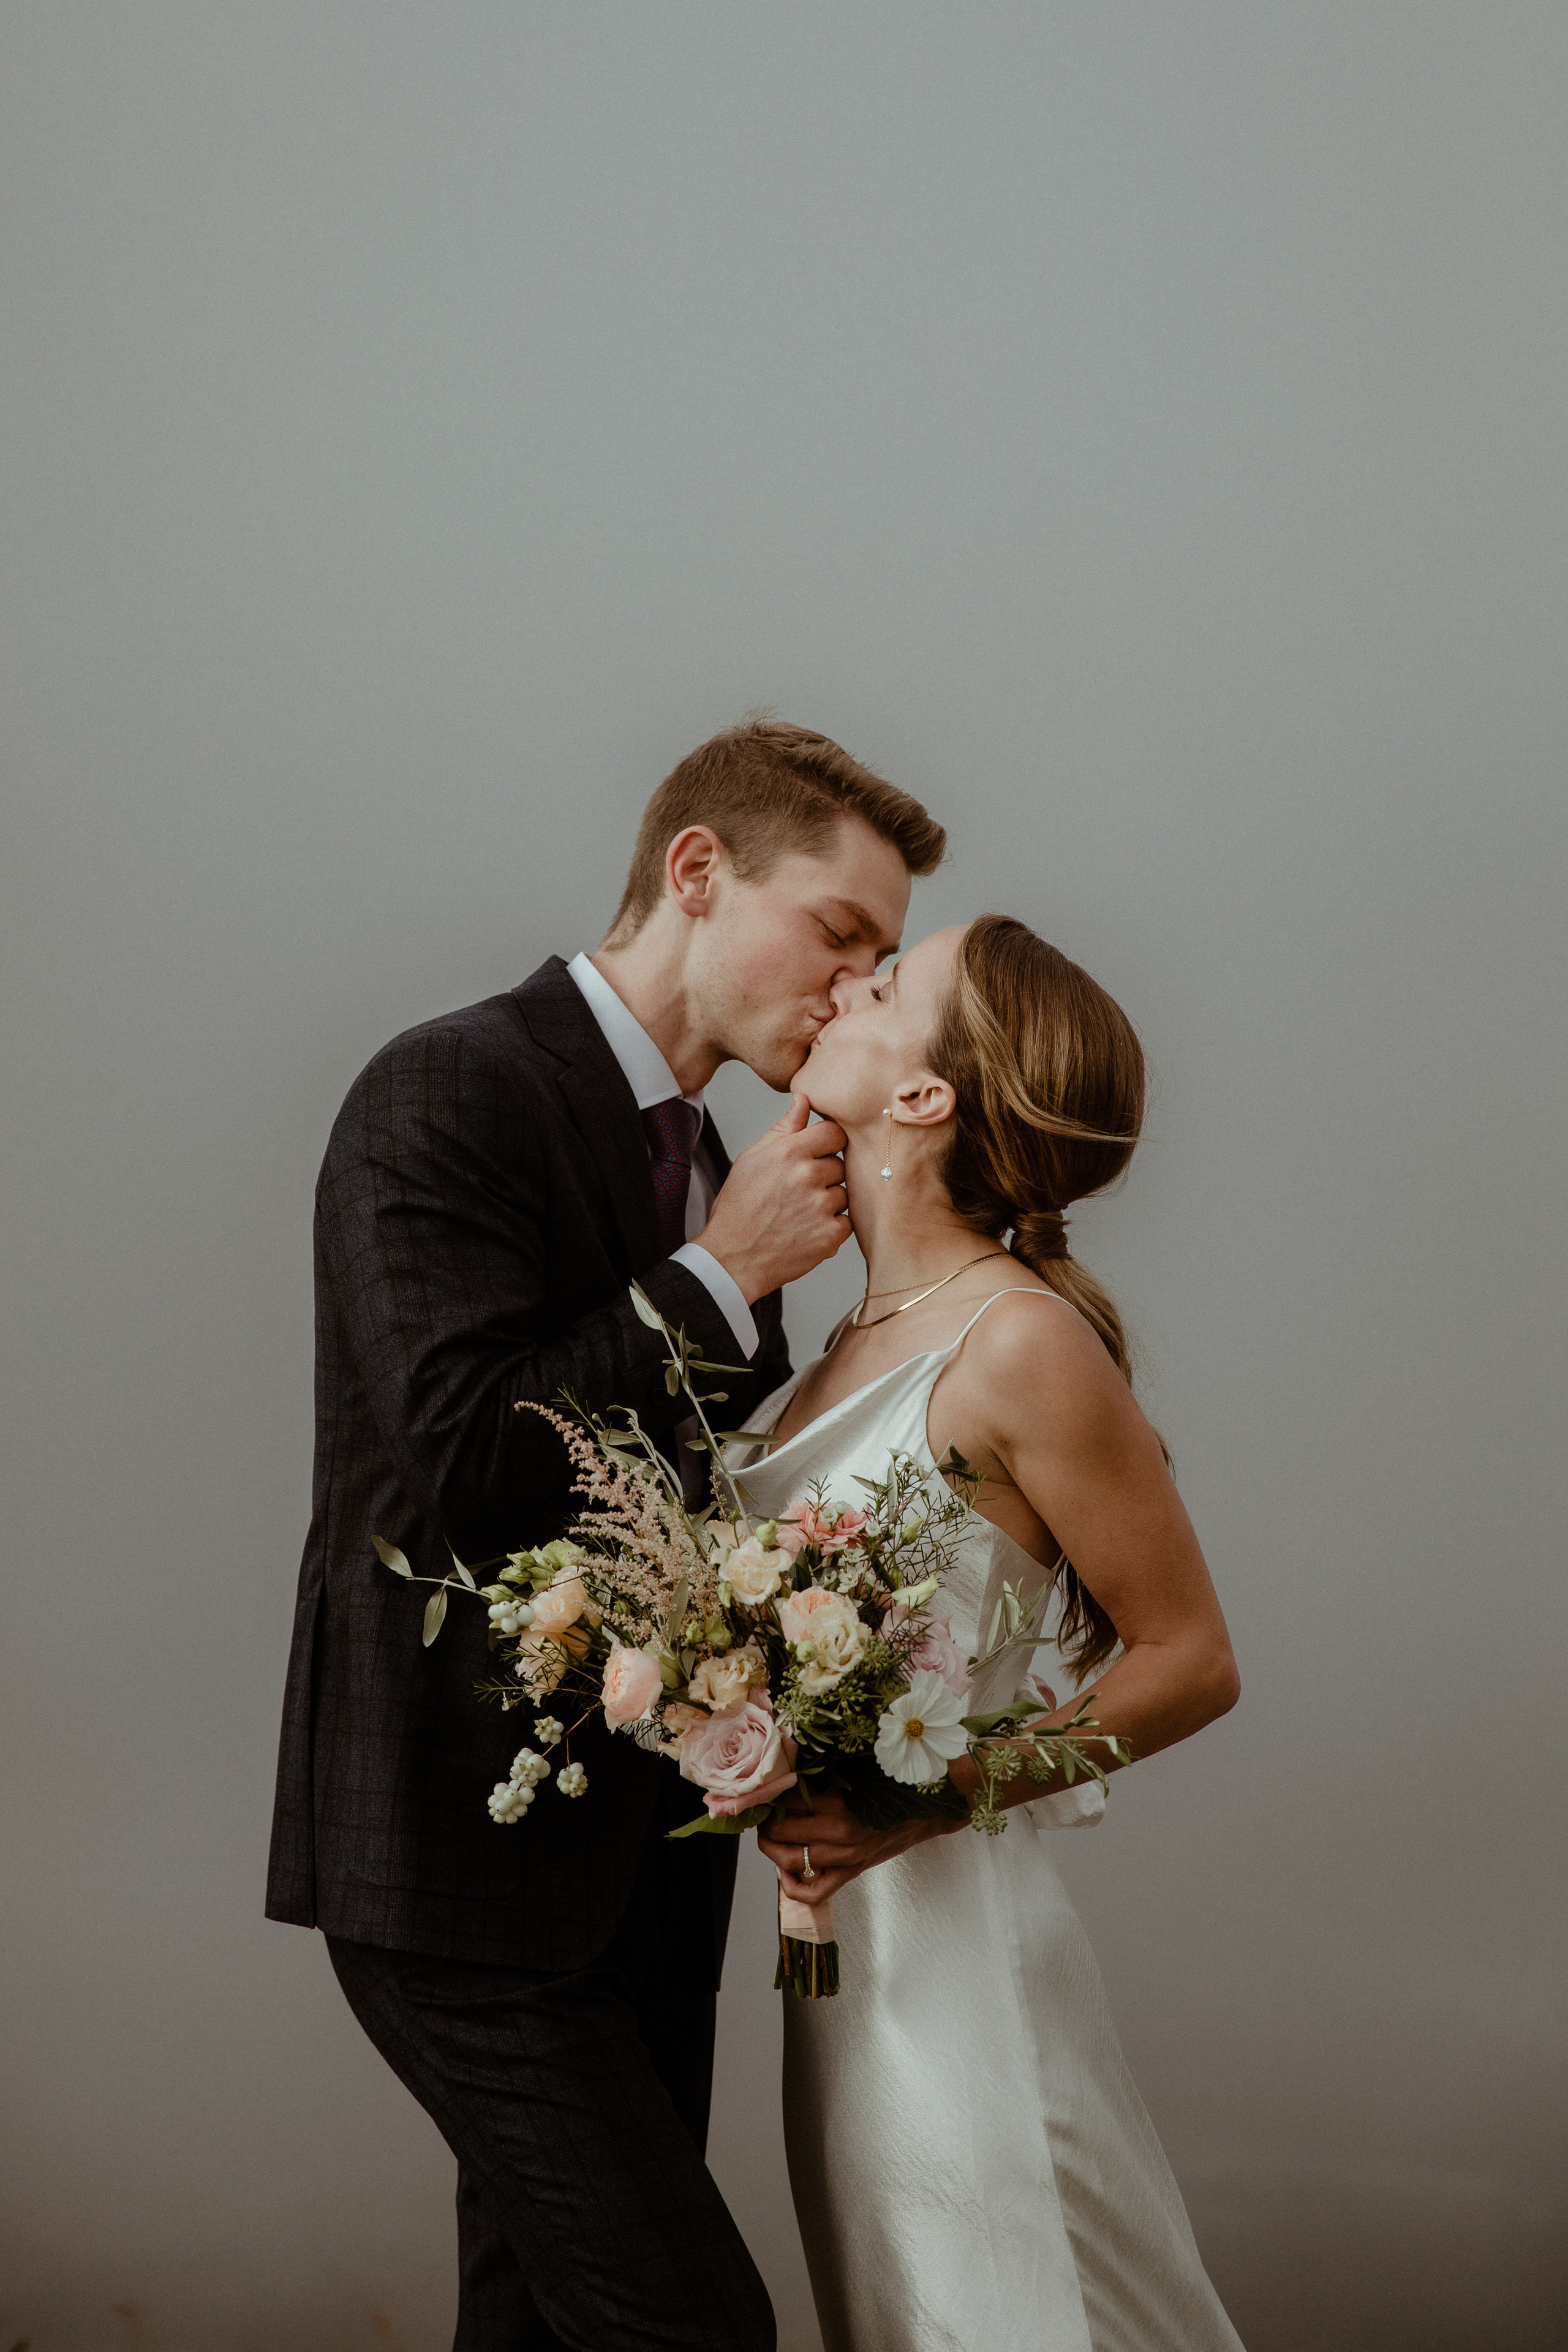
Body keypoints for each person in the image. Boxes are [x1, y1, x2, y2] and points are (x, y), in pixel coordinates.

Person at [264, 718, 946, 2351]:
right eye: (839, 936)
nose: (857, 991)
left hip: (638, 1865)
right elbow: (461, 1466)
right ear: (696, 874)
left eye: (885, 964)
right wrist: (720, 1279)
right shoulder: (446, 1085)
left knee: (544, 2324)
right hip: (452, 1876)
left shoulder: (709, 1157)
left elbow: (690, 1515)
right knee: (688, 2324)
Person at [739, 915, 1246, 2351]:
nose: (845, 983)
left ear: (922, 1098)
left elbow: (1191, 1659)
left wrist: (926, 1799)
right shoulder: (839, 1338)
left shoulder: (1016, 1341)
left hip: (955, 1959)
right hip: (842, 1962)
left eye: (884, 986)